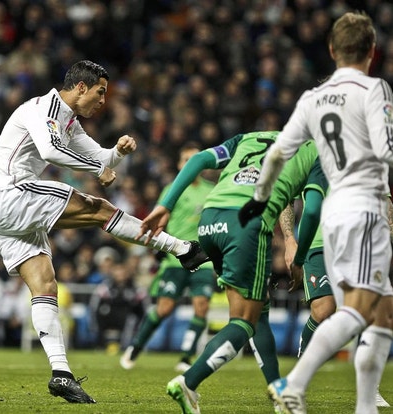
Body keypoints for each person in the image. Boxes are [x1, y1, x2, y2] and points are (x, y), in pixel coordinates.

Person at [0, 60, 207, 404]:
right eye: (100, 93)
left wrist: (117, 152)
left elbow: (102, 158)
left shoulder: (68, 121)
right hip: (12, 193)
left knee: (45, 285)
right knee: (99, 208)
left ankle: (61, 374)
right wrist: (95, 170)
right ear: (81, 87)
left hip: (3, 211)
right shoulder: (42, 108)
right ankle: (182, 249)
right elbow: (50, 151)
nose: (103, 101)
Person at [239, 12, 393, 414]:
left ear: (332, 49)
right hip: (364, 208)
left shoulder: (313, 98)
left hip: (333, 213)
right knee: (359, 311)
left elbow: (278, 153)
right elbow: (385, 150)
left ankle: (365, 405)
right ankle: (295, 384)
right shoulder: (375, 89)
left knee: (382, 311)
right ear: (372, 51)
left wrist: (260, 195)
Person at [138, 130, 326, 414]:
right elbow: (311, 211)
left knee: (257, 309)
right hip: (247, 224)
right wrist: (299, 259)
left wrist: (166, 205)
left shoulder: (248, 137)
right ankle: (188, 382)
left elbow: (199, 160)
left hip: (210, 220)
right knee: (244, 321)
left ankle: (279, 390)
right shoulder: (317, 152)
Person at [280, 189, 391, 408]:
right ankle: (296, 381)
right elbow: (287, 198)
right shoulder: (308, 165)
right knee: (323, 310)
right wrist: (289, 238)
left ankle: (370, 389)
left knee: (370, 310)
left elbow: (384, 198)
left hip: (359, 245)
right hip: (317, 243)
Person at [120, 146, 217, 372]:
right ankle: (136, 347)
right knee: (164, 308)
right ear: (180, 164)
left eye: (195, 159)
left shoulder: (212, 190)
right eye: (186, 159)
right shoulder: (172, 189)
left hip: (204, 258)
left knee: (201, 306)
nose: (191, 163)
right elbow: (159, 219)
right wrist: (157, 246)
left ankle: (186, 357)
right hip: (175, 258)